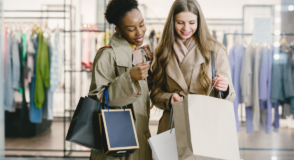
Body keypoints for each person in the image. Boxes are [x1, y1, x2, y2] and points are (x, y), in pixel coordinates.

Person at [150, 0, 236, 134]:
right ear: (172, 22)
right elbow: (155, 94)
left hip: (205, 125)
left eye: (191, 23)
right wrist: (169, 98)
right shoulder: (162, 52)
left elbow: (230, 96)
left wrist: (225, 88)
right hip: (172, 126)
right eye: (180, 23)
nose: (186, 28)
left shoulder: (215, 50)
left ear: (199, 22)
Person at [88, 0, 152, 159]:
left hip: (140, 137)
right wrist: (129, 77)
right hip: (117, 140)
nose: (139, 32)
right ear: (118, 30)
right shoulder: (106, 54)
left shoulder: (142, 53)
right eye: (131, 29)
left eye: (142, 24)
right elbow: (99, 97)